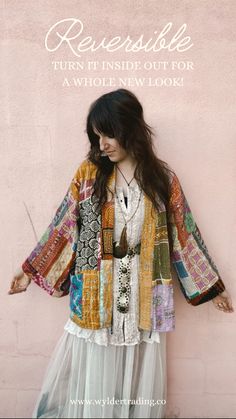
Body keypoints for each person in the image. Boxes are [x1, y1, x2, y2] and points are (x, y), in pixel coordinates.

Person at [9, 88, 234, 419]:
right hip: (96, 298)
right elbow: (64, 225)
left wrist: (212, 286)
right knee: (94, 382)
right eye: (97, 136)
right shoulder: (89, 175)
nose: (102, 144)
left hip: (143, 300)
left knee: (132, 389)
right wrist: (30, 270)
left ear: (130, 128)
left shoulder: (162, 179)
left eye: (109, 134)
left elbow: (183, 235)